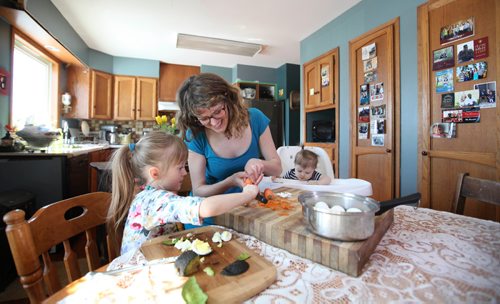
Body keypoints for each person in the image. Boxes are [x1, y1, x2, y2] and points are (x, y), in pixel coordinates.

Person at [106, 131, 259, 255]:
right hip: (141, 274)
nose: (185, 172)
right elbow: (206, 208)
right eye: (179, 168)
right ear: (155, 173)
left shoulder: (146, 194)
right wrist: (247, 194)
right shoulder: (157, 200)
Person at [176, 73, 282, 227]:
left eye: (218, 111)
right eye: (204, 118)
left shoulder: (255, 119)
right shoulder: (196, 134)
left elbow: (277, 168)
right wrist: (230, 182)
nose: (214, 122)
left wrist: (259, 163)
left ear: (228, 99)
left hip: (247, 211)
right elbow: (199, 191)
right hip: (210, 216)